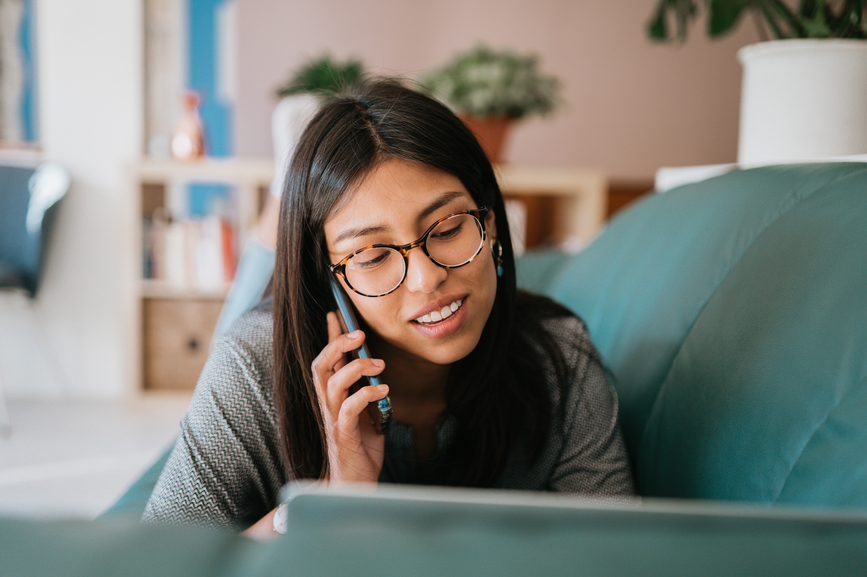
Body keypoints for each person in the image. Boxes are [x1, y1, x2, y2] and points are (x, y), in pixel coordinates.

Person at [142, 79, 636, 536]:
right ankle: (280, 192)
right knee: (248, 305)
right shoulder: (248, 366)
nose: (427, 279)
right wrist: (329, 500)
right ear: (329, 281)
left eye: (447, 229)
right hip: (267, 336)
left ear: (489, 224)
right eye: (372, 256)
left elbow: (622, 558)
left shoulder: (561, 358)